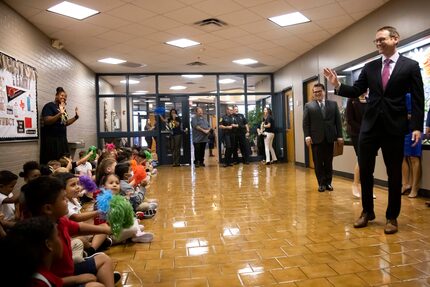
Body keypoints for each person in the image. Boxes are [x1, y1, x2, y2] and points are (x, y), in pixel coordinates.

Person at [324, 26, 424, 234]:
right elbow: (357, 90)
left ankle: (392, 217)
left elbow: (417, 99)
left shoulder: (410, 66)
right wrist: (338, 85)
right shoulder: (369, 67)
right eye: (376, 41)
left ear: (395, 39)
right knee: (366, 171)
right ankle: (367, 211)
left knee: (394, 173)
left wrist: (416, 126)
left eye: (382, 39)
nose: (378, 43)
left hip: (395, 128)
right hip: (369, 128)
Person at [22, 176, 119, 286]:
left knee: (103, 259)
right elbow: (46, 279)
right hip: (58, 281)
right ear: (48, 208)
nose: (67, 200)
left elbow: (79, 227)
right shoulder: (38, 238)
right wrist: (77, 279)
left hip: (69, 271)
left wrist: (105, 229)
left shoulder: (61, 220)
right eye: (63, 198)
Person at [0, 216, 66, 287]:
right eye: (58, 236)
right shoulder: (38, 283)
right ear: (48, 244)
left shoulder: (30, 272)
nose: (60, 240)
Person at [303, 84, 343, 191]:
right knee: (318, 162)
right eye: (315, 92)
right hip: (316, 139)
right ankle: (321, 183)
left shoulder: (333, 105)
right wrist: (307, 136)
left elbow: (338, 122)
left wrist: (340, 136)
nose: (317, 94)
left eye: (319, 91)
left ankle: (328, 183)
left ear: (324, 91)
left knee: (329, 162)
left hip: (330, 138)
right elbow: (306, 123)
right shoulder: (309, 106)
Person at [40, 87, 79, 164]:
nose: (63, 97)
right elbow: (47, 121)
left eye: (65, 96)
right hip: (51, 140)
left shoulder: (62, 109)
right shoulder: (49, 106)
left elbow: (65, 123)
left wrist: (76, 117)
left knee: (64, 162)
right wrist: (60, 114)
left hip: (62, 140)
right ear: (56, 95)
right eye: (62, 95)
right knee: (54, 163)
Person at [345, 93, 368, 198]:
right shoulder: (352, 100)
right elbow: (350, 120)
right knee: (361, 158)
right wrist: (363, 129)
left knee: (369, 160)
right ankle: (355, 184)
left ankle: (367, 189)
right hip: (357, 134)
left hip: (369, 134)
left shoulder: (369, 99)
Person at [402, 93, 422, 198]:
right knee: (402, 157)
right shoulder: (400, 94)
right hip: (401, 129)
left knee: (414, 157)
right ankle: (405, 184)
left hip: (413, 128)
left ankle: (415, 188)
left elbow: (413, 114)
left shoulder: (411, 95)